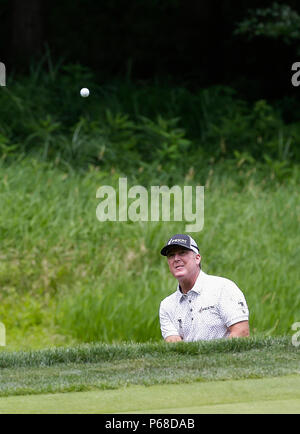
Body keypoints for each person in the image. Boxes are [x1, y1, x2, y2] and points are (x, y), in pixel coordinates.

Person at [159, 234, 250, 342]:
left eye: (182, 253)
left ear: (197, 258)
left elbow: (242, 332)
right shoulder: (166, 305)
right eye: (171, 255)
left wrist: (214, 358)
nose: (176, 259)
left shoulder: (223, 288)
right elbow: (173, 344)